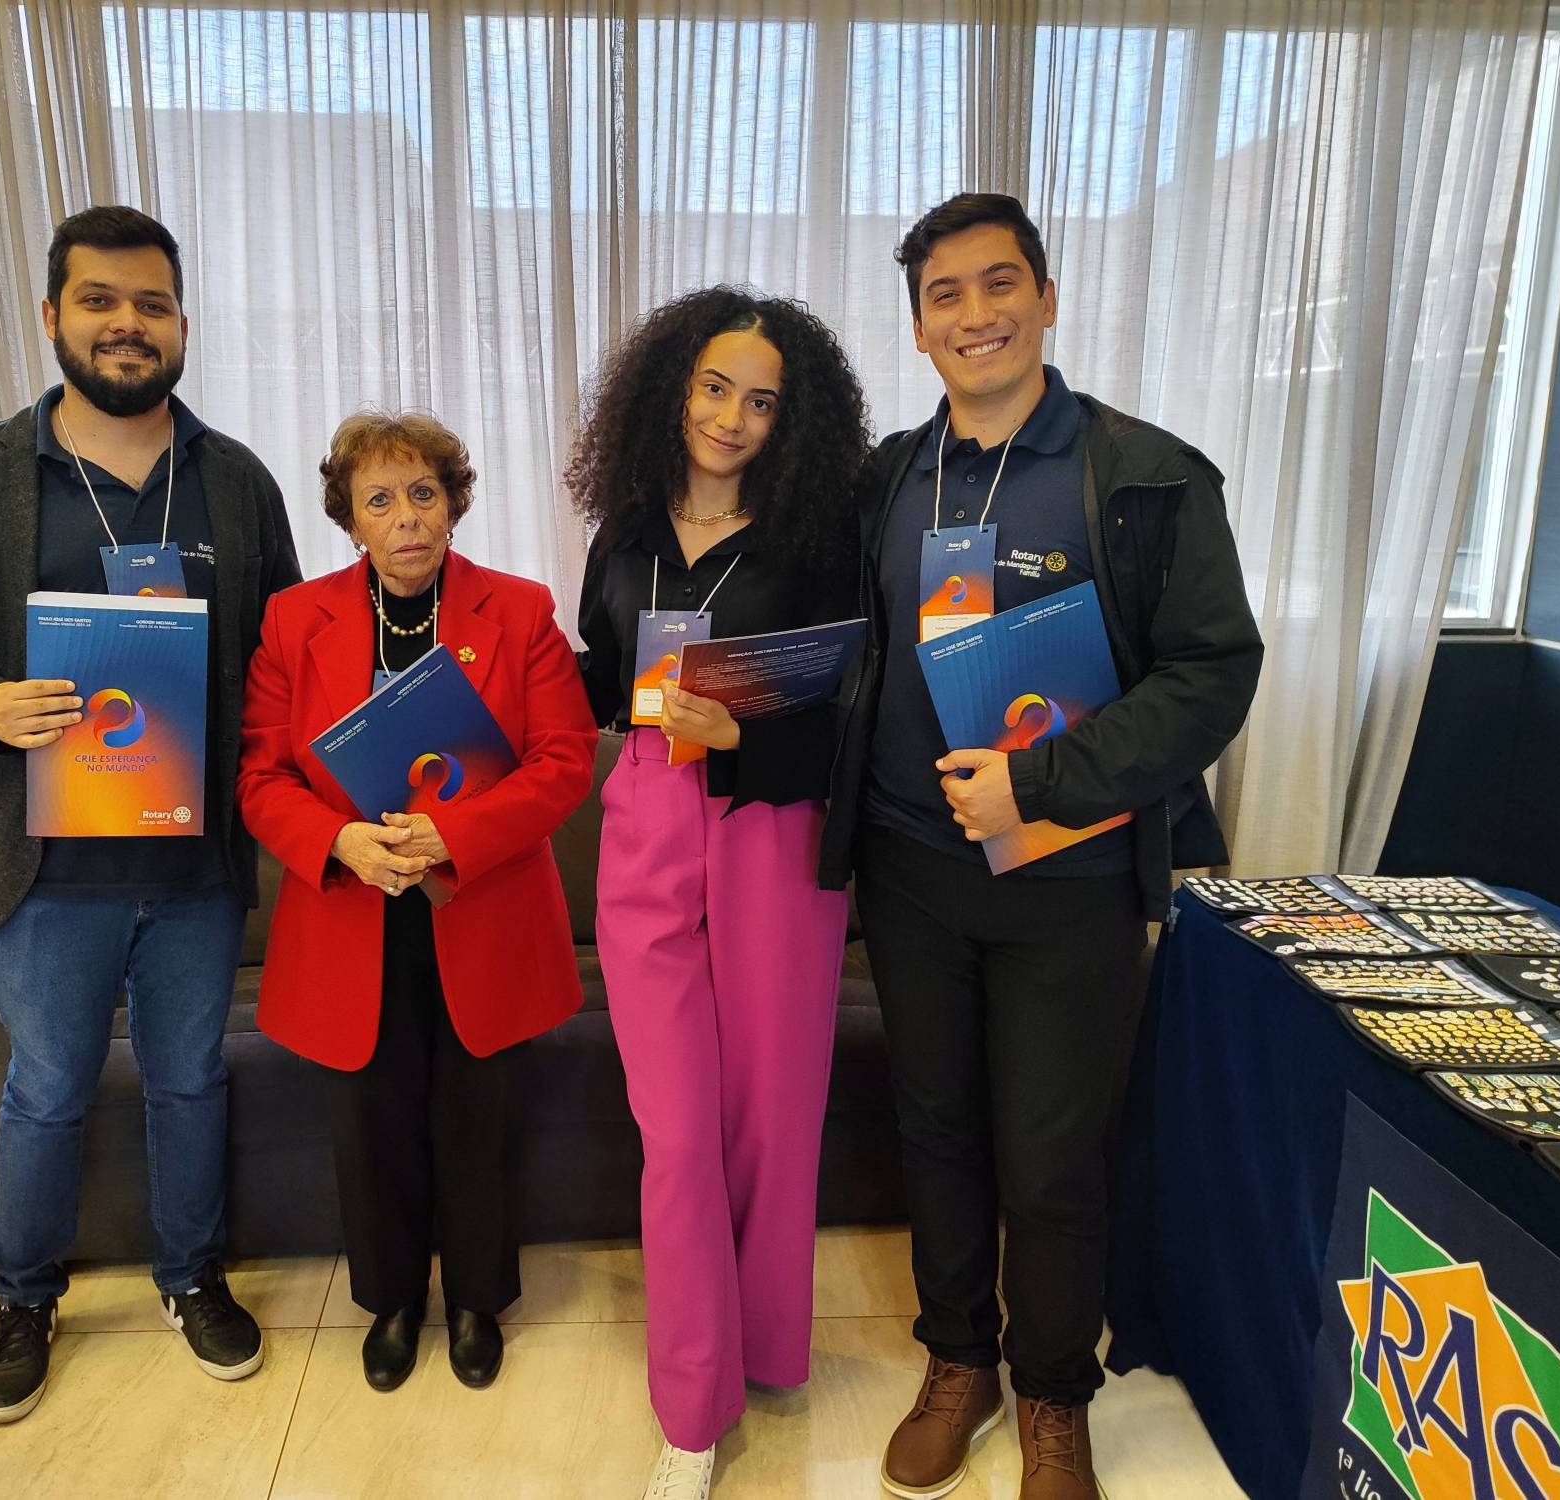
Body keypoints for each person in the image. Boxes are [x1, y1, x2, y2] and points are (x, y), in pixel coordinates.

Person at [817, 193, 1263, 1500]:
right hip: (911, 872)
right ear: (917, 328)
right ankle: (957, 1359)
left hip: (1071, 878)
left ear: (1048, 298)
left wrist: (1041, 784)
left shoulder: (1147, 476)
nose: (976, 314)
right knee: (938, 1129)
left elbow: (1211, 673)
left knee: (1055, 1154)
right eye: (944, 295)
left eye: (999, 282)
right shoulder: (885, 480)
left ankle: (1053, 1392)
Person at [0, 205, 300, 1424]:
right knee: (47, 1088)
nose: (128, 324)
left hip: (195, 867)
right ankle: (23, 1296)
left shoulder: (234, 480)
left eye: (151, 304)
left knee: (189, 1082)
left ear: (181, 324)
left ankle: (191, 1276)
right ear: (52, 314)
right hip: (48, 865)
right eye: (100, 301)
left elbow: (283, 652)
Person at [568, 288, 869, 1500]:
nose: (730, 417)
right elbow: (599, 677)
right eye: (711, 387)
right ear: (668, 389)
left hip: (771, 830)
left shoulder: (816, 540)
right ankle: (692, 1408)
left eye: (760, 401)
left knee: (769, 1119)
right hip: (645, 821)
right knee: (679, 1134)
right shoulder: (623, 532)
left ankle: (765, 1348)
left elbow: (851, 709)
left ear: (792, 422)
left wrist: (740, 735)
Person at [237, 410, 596, 1394]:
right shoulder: (293, 620)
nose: (407, 517)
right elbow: (261, 776)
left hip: (478, 905)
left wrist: (456, 835)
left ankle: (477, 1300)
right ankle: (392, 1300)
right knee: (371, 1121)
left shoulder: (518, 609)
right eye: (381, 499)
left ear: (454, 502)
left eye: (425, 493)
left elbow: (564, 761)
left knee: (479, 1114)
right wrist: (338, 841)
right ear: (350, 518)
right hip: (352, 910)